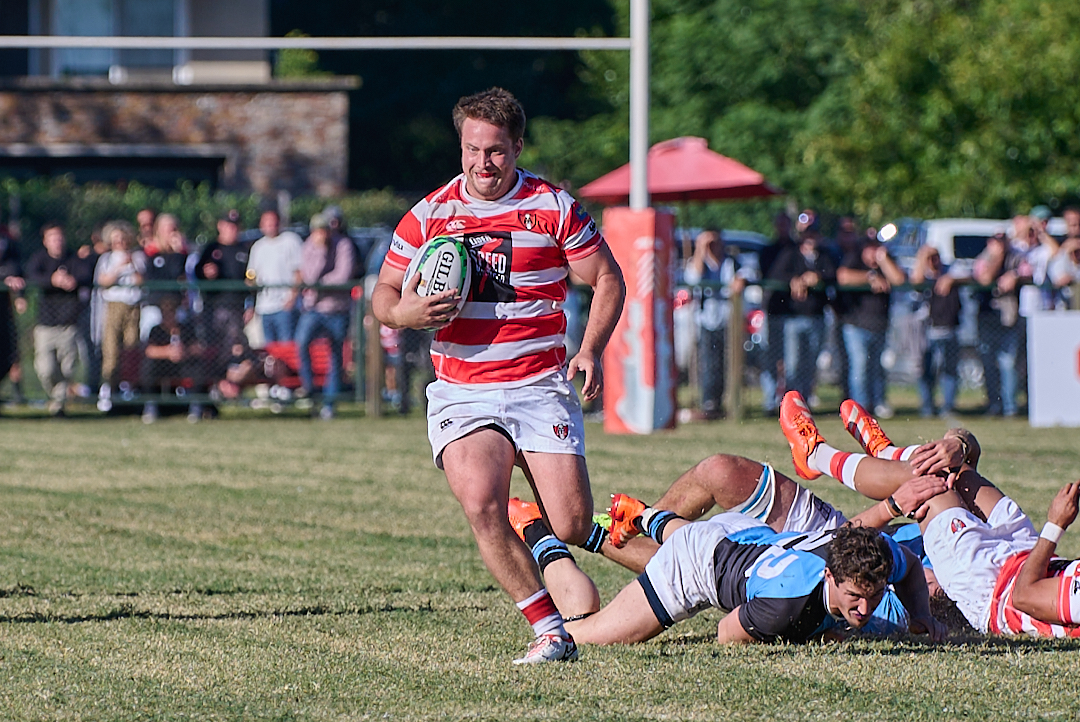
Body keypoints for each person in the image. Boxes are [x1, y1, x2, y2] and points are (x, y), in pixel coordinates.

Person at [372, 87, 625, 664]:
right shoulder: (431, 214)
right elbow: (383, 295)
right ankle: (550, 631)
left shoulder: (554, 207)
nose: (482, 164)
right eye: (471, 150)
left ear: (516, 147)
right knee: (482, 503)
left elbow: (608, 279)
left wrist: (589, 350)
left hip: (539, 386)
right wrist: (403, 312)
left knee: (572, 522)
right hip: (464, 390)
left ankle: (535, 526)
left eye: (495, 152)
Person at [788, 396, 1080, 638]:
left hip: (991, 588)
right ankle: (889, 454)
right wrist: (960, 444)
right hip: (1024, 554)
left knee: (930, 477)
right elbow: (968, 450)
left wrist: (1055, 526)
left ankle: (815, 456)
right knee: (957, 467)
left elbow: (1023, 597)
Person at [560, 508, 941, 646]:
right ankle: (538, 531)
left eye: (873, 596)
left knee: (713, 539)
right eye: (855, 596)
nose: (864, 608)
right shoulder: (786, 607)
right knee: (588, 635)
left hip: (745, 536)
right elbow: (728, 633)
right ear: (829, 574)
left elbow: (907, 565)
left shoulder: (874, 554)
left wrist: (922, 614)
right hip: (697, 566)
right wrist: (809, 638)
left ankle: (641, 516)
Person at [681, 228, 751, 420]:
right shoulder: (699, 263)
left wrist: (741, 281)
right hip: (706, 321)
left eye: (716, 242)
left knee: (729, 364)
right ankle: (709, 403)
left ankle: (730, 403)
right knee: (708, 363)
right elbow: (692, 279)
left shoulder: (732, 262)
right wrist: (699, 250)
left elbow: (746, 275)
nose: (714, 246)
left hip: (729, 321)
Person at [25, 222, 93, 416]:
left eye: (60, 237)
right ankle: (58, 397)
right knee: (45, 369)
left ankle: (58, 407)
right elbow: (31, 276)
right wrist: (52, 280)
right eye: (53, 237)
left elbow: (86, 274)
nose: (57, 241)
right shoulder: (39, 259)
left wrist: (72, 280)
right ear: (45, 241)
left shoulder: (74, 259)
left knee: (67, 369)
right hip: (45, 325)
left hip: (69, 324)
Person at [766, 218, 836, 405]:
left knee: (810, 364)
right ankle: (791, 403)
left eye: (813, 233)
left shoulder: (824, 256)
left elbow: (834, 275)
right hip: (793, 318)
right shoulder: (790, 253)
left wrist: (817, 277)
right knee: (793, 364)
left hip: (816, 317)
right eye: (806, 233)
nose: (810, 238)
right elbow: (776, 274)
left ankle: (804, 400)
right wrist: (795, 279)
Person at [294, 212, 355, 420]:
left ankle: (330, 404)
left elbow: (343, 275)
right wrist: (320, 251)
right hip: (313, 309)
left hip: (337, 309)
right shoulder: (309, 246)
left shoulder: (343, 244)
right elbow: (309, 276)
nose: (322, 234)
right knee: (301, 342)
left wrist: (321, 284)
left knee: (336, 356)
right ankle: (309, 388)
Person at [94, 221, 146, 412]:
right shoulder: (107, 259)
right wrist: (118, 269)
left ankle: (128, 389)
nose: (120, 242)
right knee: (111, 350)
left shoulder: (137, 257)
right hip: (114, 306)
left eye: (123, 239)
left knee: (131, 347)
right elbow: (103, 281)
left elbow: (142, 280)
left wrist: (131, 263)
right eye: (116, 239)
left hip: (133, 307)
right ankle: (107, 388)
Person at [973, 231, 1024, 416]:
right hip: (987, 317)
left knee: (1009, 363)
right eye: (997, 242)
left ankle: (1010, 407)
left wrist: (1015, 276)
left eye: (1003, 242)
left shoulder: (1017, 258)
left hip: (1009, 319)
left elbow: (1030, 272)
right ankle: (994, 404)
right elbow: (984, 278)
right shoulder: (983, 258)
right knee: (989, 363)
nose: (1001, 245)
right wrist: (998, 257)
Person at [195, 209, 251, 376]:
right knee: (211, 346)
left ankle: (227, 380)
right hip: (213, 307)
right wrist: (205, 273)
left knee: (231, 346)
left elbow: (251, 280)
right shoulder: (211, 248)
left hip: (235, 308)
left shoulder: (243, 250)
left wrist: (250, 306)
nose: (232, 230)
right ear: (220, 226)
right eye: (228, 225)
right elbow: (197, 273)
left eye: (235, 226)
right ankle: (212, 381)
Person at [141, 295, 208, 423]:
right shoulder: (156, 330)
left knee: (197, 367)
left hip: (182, 366)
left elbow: (199, 347)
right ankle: (151, 405)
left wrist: (185, 351)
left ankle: (196, 406)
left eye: (171, 312)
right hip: (162, 366)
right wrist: (167, 351)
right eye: (165, 312)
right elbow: (149, 351)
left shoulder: (186, 328)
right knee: (147, 366)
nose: (168, 316)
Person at [911, 244, 961, 417]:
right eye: (929, 257)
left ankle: (947, 406)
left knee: (948, 368)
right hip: (925, 329)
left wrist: (950, 279)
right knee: (925, 368)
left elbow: (970, 275)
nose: (933, 261)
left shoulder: (950, 270)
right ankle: (927, 406)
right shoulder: (921, 272)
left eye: (935, 256)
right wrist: (921, 259)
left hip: (948, 326)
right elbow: (915, 282)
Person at [246, 209, 303, 344]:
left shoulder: (291, 241)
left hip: (284, 307)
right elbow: (251, 274)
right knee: (269, 350)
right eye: (266, 222)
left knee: (287, 347)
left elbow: (299, 272)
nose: (270, 225)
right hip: (265, 308)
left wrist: (292, 298)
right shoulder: (258, 247)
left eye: (273, 221)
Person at [758, 212, 795, 414]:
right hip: (773, 310)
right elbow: (770, 275)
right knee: (770, 357)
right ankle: (770, 400)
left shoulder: (796, 249)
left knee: (793, 361)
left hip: (793, 312)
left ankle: (792, 403)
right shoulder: (768, 251)